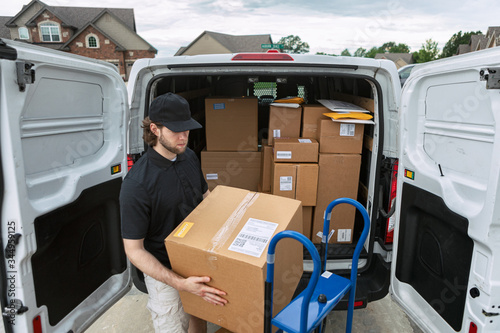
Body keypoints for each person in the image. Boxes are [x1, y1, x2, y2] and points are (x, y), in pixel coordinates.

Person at [119, 92, 227, 333]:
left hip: (195, 258)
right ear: (155, 129)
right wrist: (181, 284)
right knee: (172, 325)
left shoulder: (188, 156)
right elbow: (134, 250)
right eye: (176, 130)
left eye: (187, 129)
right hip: (163, 269)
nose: (184, 136)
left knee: (198, 317)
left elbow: (204, 197)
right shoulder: (136, 185)